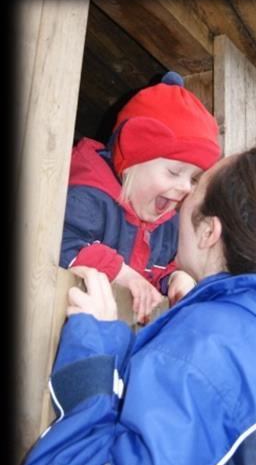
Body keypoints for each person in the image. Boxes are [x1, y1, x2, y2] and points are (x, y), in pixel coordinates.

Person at [18, 144, 256, 465]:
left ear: (208, 233)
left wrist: (93, 360)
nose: (183, 194)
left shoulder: (201, 353)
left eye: (196, 186)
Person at [60, 71, 221, 323]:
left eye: (193, 178)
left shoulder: (168, 224)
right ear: (133, 160)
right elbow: (61, 241)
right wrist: (124, 275)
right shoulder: (88, 198)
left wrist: (177, 279)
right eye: (174, 172)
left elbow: (161, 266)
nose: (186, 188)